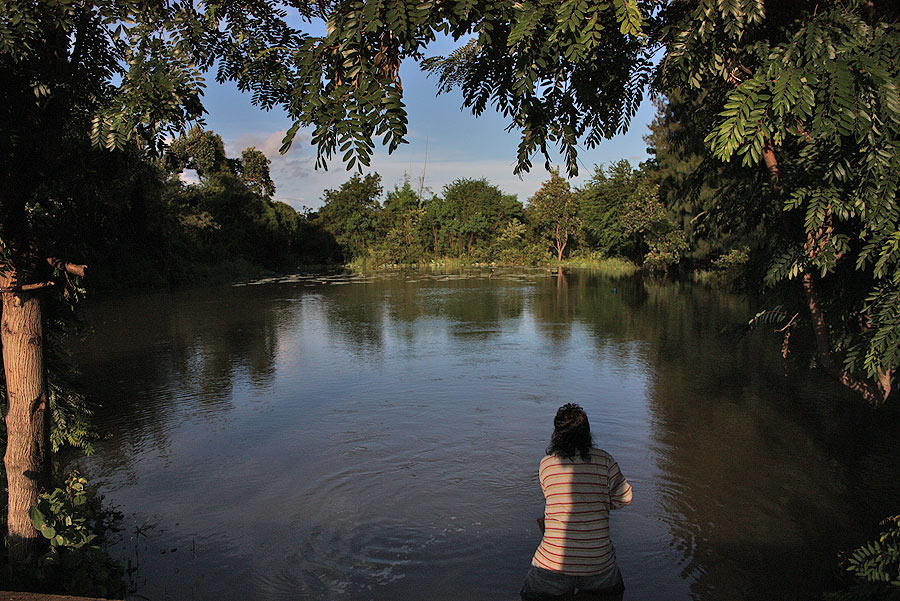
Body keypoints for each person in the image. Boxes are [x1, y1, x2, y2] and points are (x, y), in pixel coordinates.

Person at [521, 403, 633, 601]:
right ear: (587, 433)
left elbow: (552, 497)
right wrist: (601, 503)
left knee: (531, 594)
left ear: (557, 433)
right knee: (612, 591)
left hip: (552, 564)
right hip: (599, 563)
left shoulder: (546, 464)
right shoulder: (605, 460)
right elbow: (625, 498)